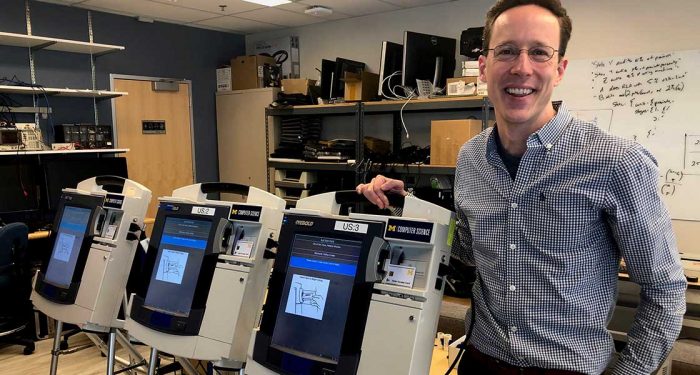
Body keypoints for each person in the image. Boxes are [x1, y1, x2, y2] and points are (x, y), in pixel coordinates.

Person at [356, 0, 687, 374]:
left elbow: (665, 291)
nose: (521, 67)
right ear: (484, 66)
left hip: (568, 368)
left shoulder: (617, 162)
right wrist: (403, 206)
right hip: (481, 360)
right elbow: (468, 248)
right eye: (508, 51)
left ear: (559, 69)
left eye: (540, 52)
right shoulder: (471, 157)